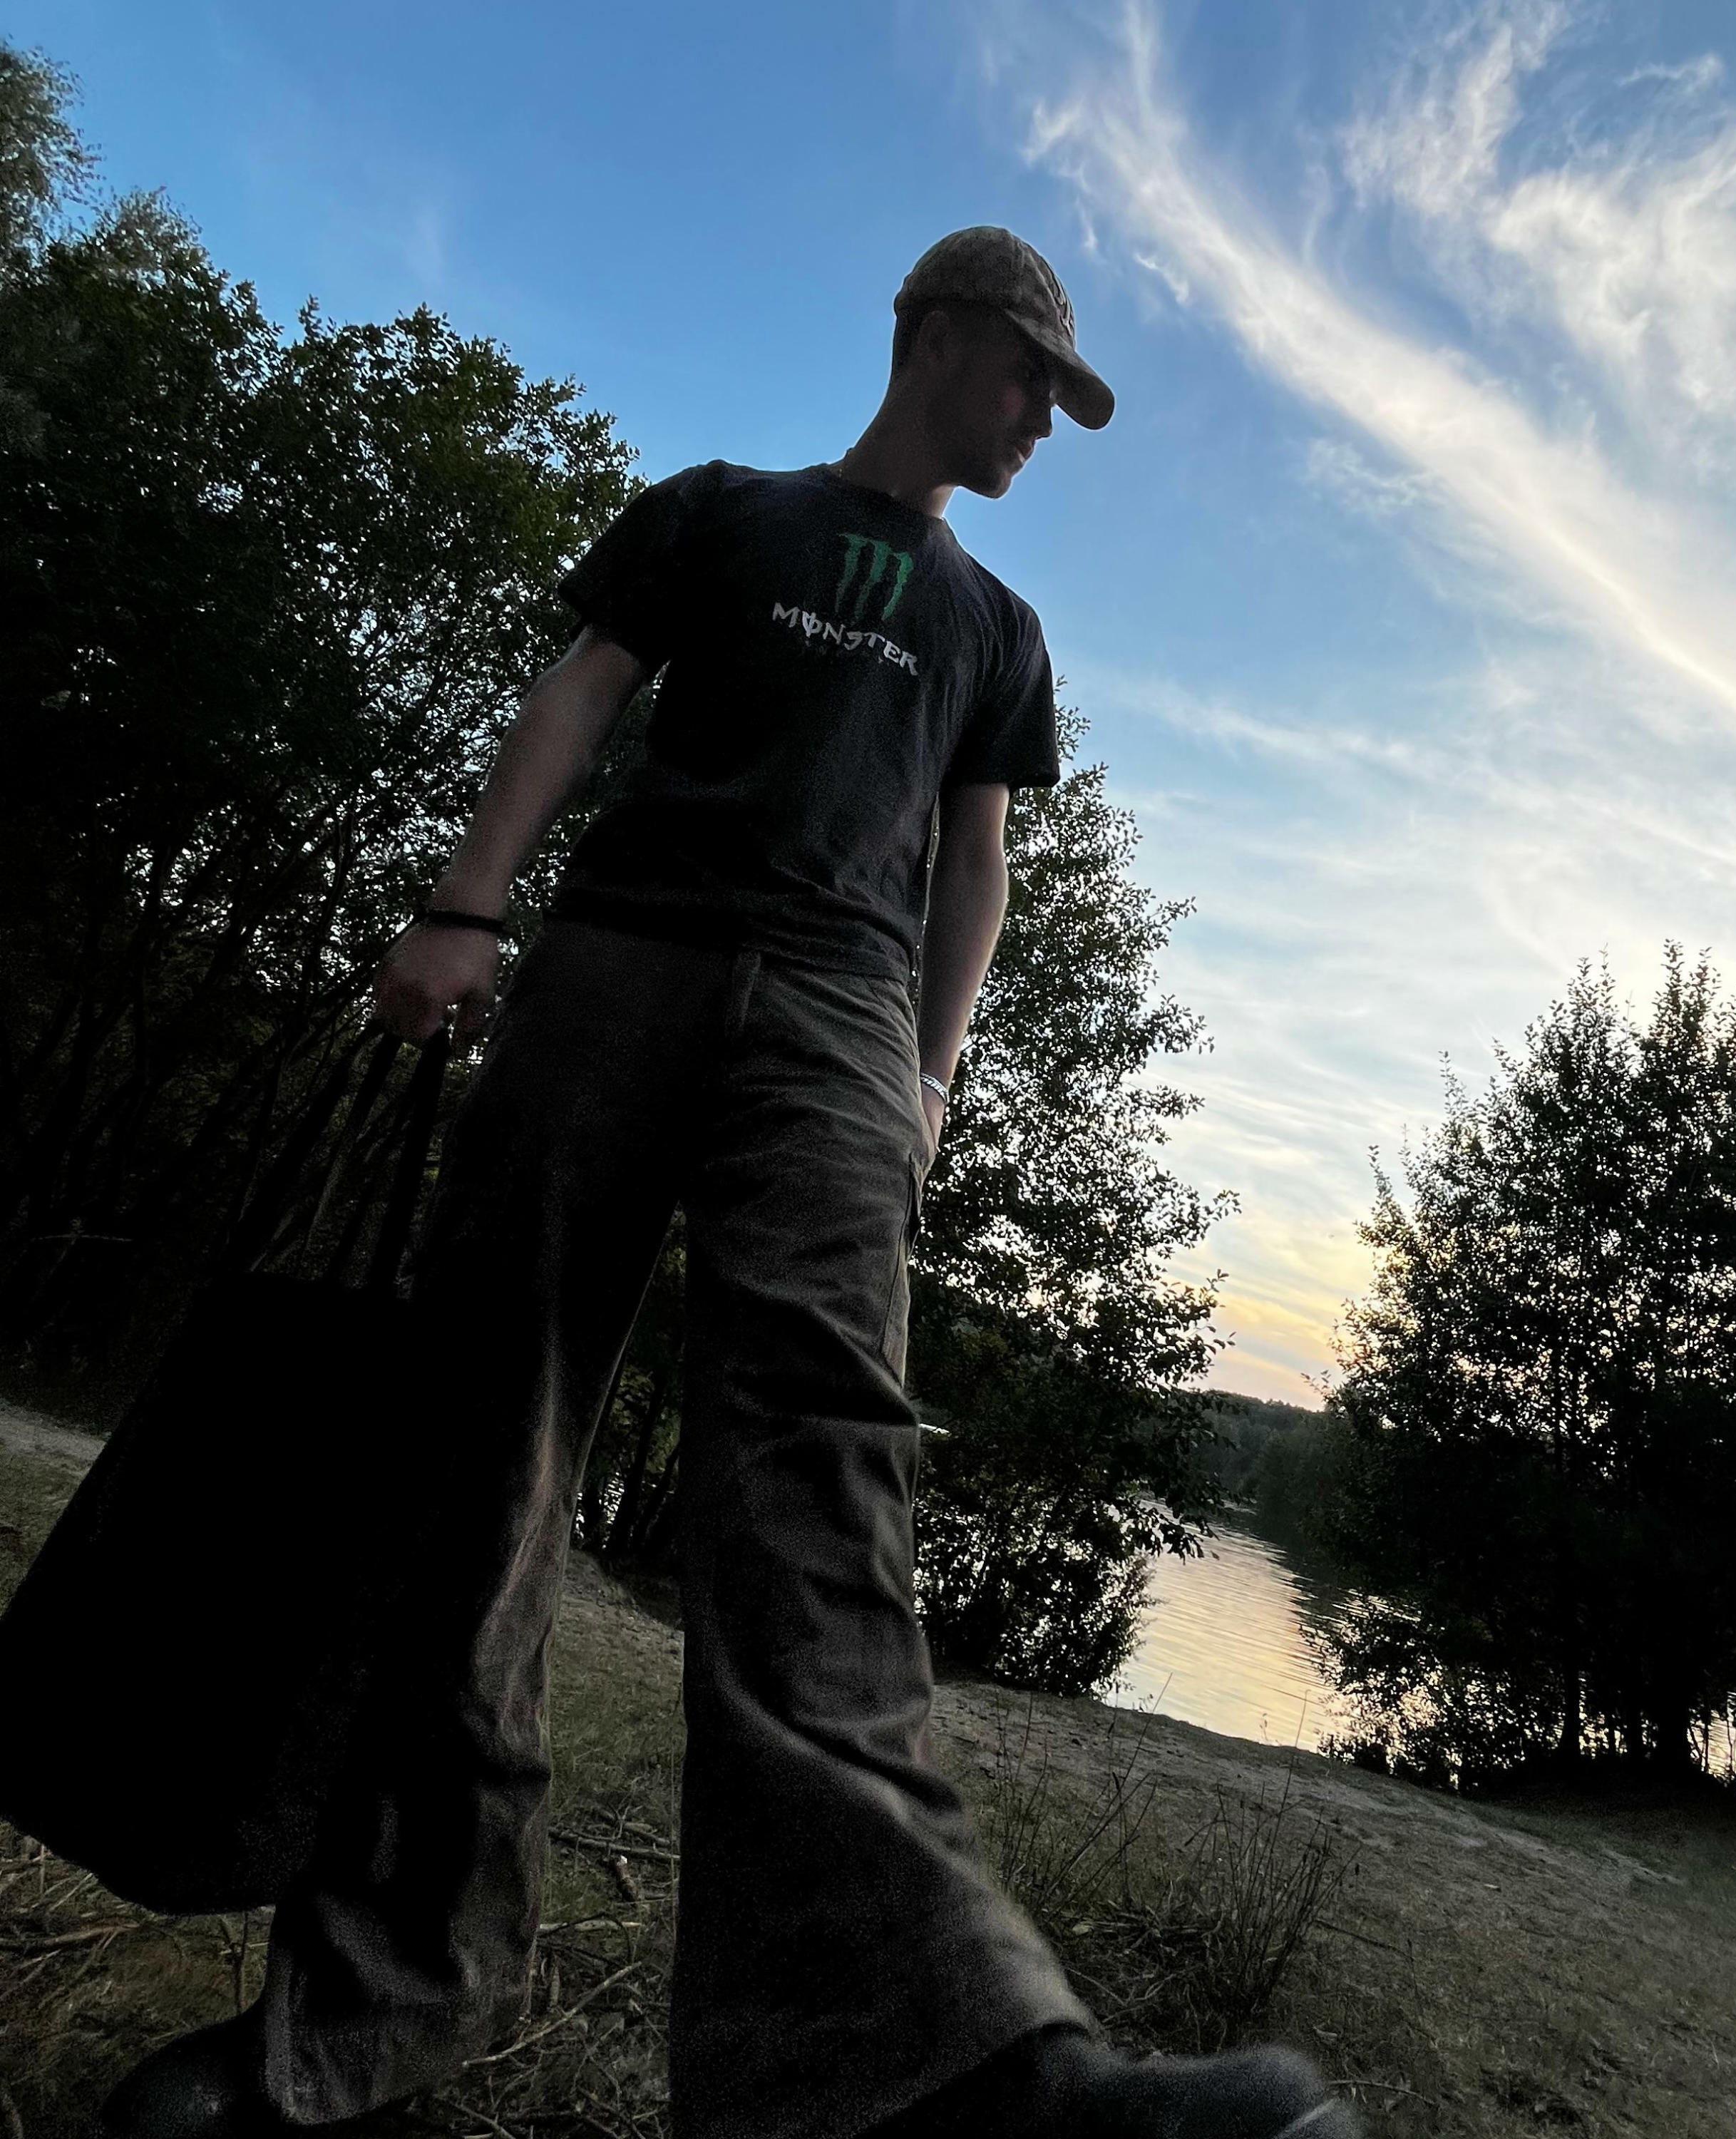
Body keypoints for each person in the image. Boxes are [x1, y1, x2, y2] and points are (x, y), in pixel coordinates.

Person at [99, 229, 1357, 2139]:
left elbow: (978, 862)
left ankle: (936, 2076)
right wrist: (464, 906)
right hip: (619, 963)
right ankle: (354, 2030)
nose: (1043, 419)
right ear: (938, 337)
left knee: (823, 1477)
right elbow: (582, 691)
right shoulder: (720, 513)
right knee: (478, 1454)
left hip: (844, 1025)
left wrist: (929, 1079)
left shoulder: (999, 629)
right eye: (1031, 376)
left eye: (1059, 395)